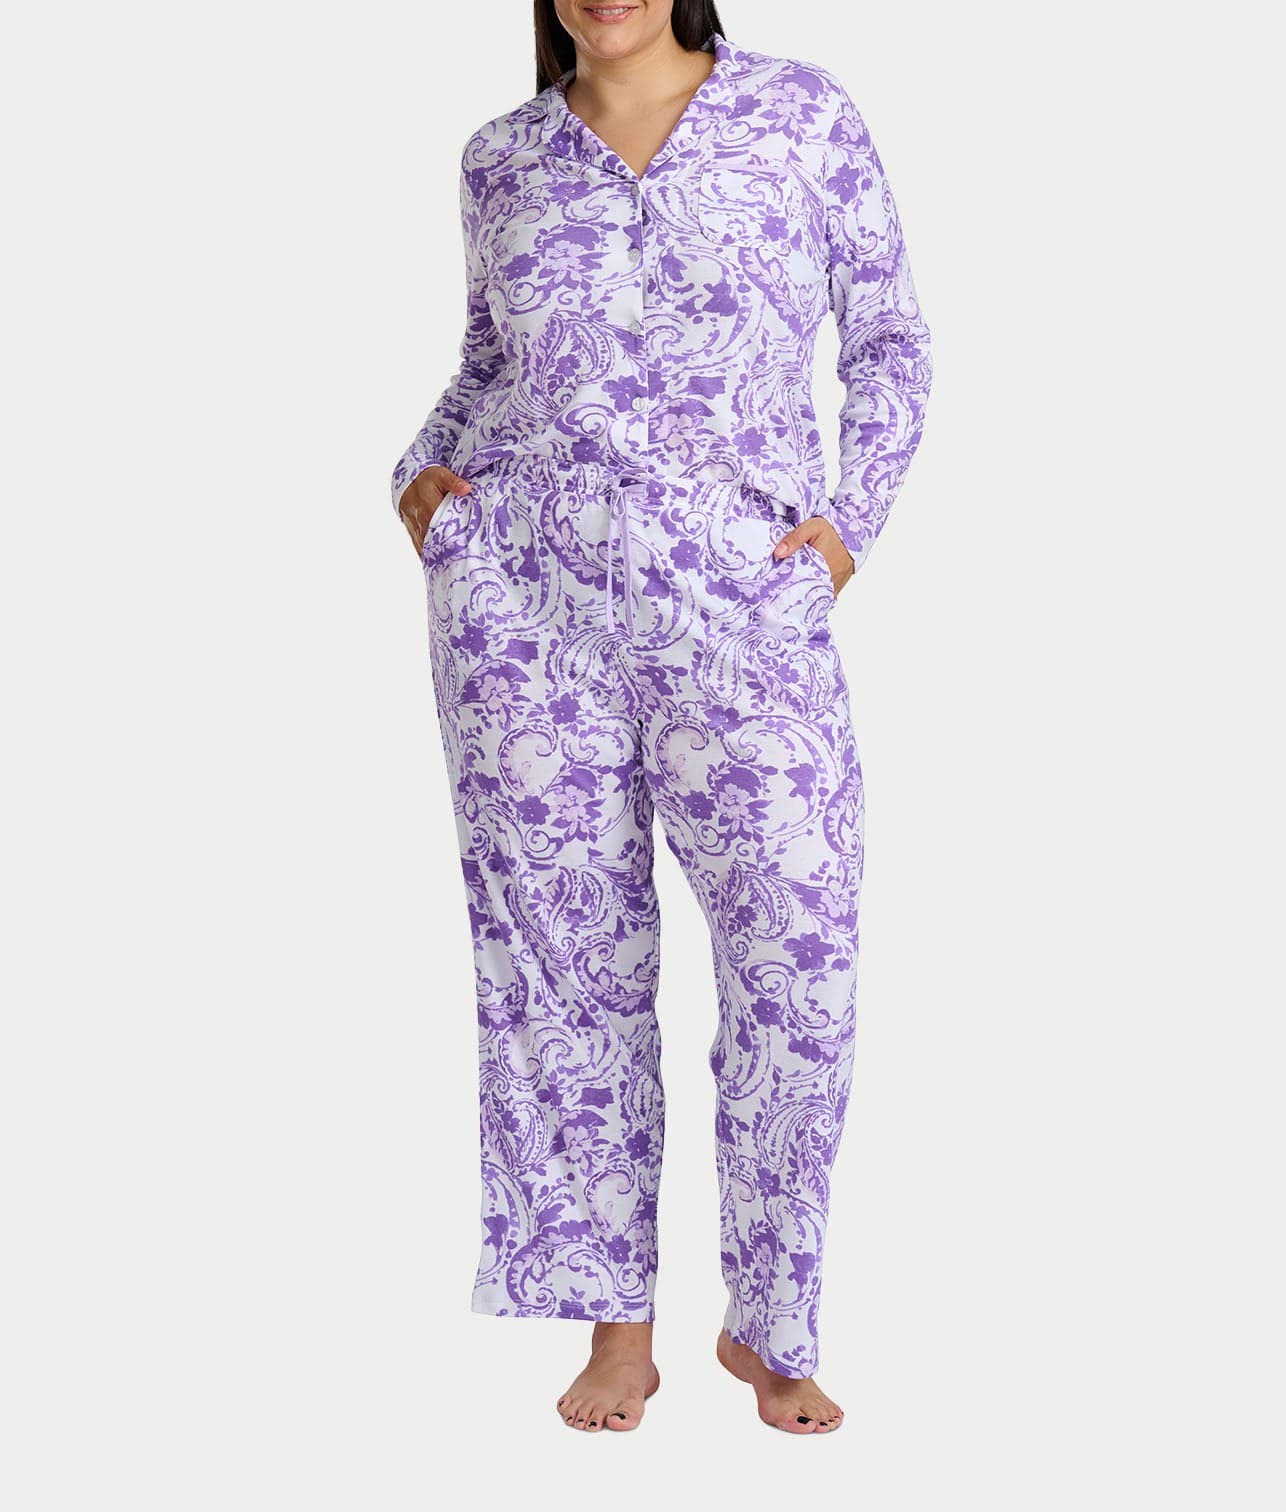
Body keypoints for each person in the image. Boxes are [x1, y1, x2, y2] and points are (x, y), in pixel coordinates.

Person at [390, 0, 932, 1435]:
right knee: (562, 973)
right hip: (524, 615)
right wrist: (420, 482)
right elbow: (488, 365)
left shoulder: (801, 114)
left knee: (799, 966)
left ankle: (772, 1320)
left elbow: (889, 340)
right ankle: (614, 1327)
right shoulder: (502, 157)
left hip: (742, 605)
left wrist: (844, 533)